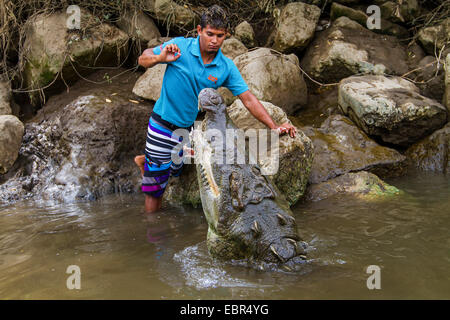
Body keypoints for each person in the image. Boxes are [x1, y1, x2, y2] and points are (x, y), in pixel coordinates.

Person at [135, 5, 297, 213]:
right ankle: (153, 233)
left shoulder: (226, 67)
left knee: (180, 168)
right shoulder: (179, 48)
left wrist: (274, 126)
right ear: (199, 30)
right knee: (156, 191)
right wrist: (159, 58)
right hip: (162, 124)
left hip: (188, 129)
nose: (214, 40)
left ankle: (147, 160)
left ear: (226, 36)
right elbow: (143, 58)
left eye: (219, 36)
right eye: (209, 34)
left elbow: (248, 99)